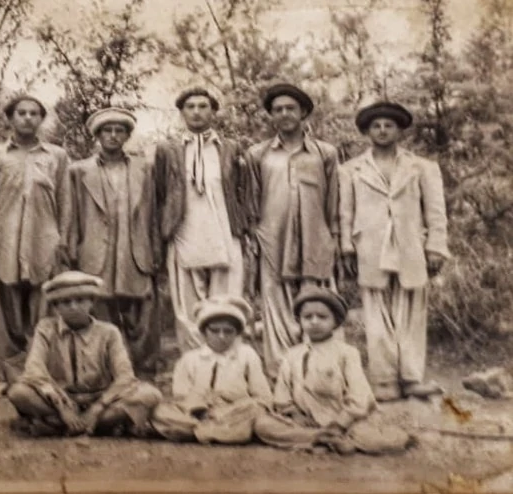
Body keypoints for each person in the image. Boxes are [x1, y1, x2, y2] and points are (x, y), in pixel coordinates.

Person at [339, 102, 450, 401]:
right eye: (376, 126)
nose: (383, 130)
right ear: (367, 132)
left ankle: (412, 378)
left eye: (389, 125)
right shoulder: (351, 170)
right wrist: (347, 248)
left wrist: (436, 247)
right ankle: (384, 380)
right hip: (370, 248)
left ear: (400, 130)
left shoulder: (422, 167)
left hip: (410, 245)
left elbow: (436, 212)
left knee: (412, 310)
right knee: (376, 313)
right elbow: (345, 213)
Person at [243, 83, 340, 379]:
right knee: (276, 307)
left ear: (303, 113)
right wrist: (253, 238)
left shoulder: (325, 153)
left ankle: (321, 370)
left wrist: (333, 237)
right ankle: (281, 372)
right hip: (273, 240)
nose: (284, 114)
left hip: (315, 240)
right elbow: (251, 201)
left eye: (290, 109)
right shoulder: (257, 155)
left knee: (316, 304)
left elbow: (333, 201)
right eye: (277, 109)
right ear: (271, 116)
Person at [0, 95, 72, 373]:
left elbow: (65, 200)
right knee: (7, 307)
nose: (27, 118)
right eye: (21, 113)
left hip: (44, 238)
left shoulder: (57, 155)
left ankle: (42, 369)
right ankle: (12, 372)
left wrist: (63, 239)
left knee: (44, 305)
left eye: (33, 113)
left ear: (41, 119)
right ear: (10, 118)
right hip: (4, 238)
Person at [254, 286, 413, 455]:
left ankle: (326, 438)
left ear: (335, 322)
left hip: (344, 421)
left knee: (388, 440)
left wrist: (340, 423)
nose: (314, 321)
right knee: (263, 425)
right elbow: (282, 394)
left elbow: (359, 397)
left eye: (322, 317)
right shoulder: (292, 355)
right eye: (307, 317)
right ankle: (322, 439)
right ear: (299, 321)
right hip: (304, 422)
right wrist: (294, 414)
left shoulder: (347, 353)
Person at [6, 271, 162, 438]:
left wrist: (97, 408)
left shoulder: (109, 332)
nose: (73, 306)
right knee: (18, 392)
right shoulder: (45, 329)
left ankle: (60, 424)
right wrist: (62, 406)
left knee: (150, 395)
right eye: (65, 302)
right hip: (60, 399)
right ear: (56, 307)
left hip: (101, 399)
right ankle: (93, 426)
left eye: (80, 300)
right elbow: (34, 371)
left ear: (92, 302)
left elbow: (125, 377)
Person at [68, 108, 161, 378]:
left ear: (127, 135)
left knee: (142, 311)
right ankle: (107, 370)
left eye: (119, 131)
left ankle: (144, 370)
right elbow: (71, 215)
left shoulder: (144, 168)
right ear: (97, 135)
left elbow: (153, 211)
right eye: (106, 131)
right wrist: (73, 249)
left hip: (135, 250)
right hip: (97, 252)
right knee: (100, 310)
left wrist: (155, 248)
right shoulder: (79, 170)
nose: (112, 136)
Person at [154, 88, 248, 352]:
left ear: (213, 111)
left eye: (203, 106)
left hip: (223, 230)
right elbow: (161, 192)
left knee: (226, 296)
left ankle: (230, 355)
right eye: (190, 106)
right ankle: (195, 360)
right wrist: (166, 228)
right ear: (182, 112)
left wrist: (242, 228)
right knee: (186, 300)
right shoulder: (168, 150)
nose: (197, 112)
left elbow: (241, 190)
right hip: (184, 229)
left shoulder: (230, 148)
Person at [151, 295, 271, 444]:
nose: (221, 336)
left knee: (254, 410)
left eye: (228, 331)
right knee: (160, 411)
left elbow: (263, 397)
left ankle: (196, 433)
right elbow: (181, 396)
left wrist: (230, 404)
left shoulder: (247, 355)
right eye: (215, 331)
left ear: (237, 333)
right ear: (204, 332)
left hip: (232, 412)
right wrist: (201, 407)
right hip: (197, 415)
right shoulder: (189, 359)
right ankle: (212, 432)